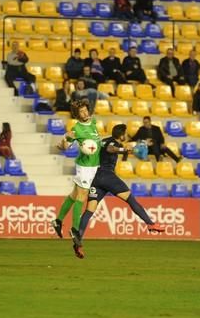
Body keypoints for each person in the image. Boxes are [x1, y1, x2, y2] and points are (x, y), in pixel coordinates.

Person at [72, 123, 165, 256]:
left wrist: (133, 148)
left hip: (96, 178)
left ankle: (78, 240)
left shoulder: (104, 140)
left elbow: (119, 152)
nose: (126, 135)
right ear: (121, 135)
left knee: (89, 210)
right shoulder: (112, 143)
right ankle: (150, 223)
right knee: (130, 199)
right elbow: (111, 149)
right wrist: (124, 150)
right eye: (125, 133)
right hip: (107, 176)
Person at [52, 100, 102, 254]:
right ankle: (75, 231)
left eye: (86, 110)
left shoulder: (93, 122)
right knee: (82, 196)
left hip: (95, 165)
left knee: (74, 195)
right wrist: (64, 140)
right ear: (77, 115)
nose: (85, 113)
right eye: (82, 112)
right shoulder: (77, 129)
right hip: (85, 168)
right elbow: (66, 146)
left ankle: (58, 221)